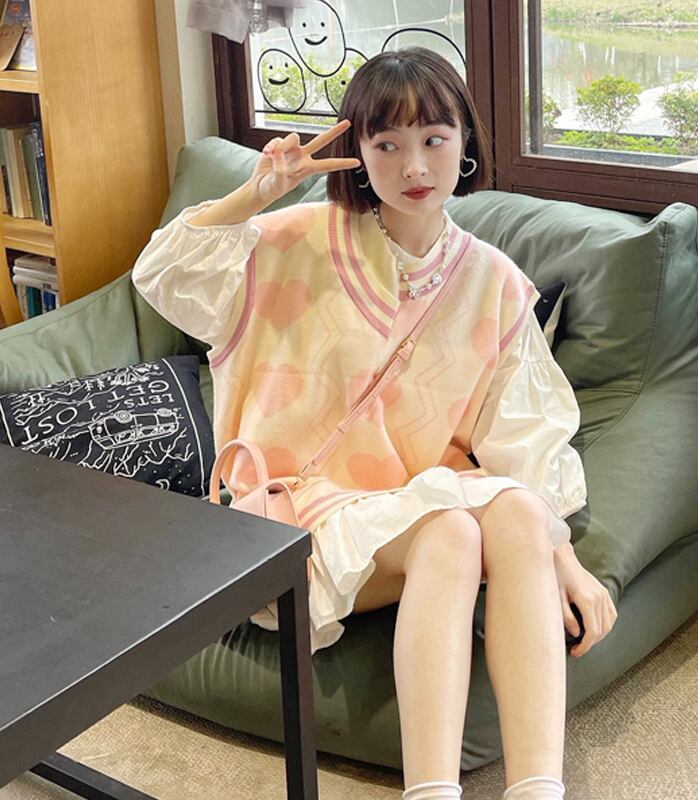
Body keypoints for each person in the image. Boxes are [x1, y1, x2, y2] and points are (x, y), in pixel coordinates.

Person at [132, 47, 617, 800]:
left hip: (408, 513)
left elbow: (526, 443)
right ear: (357, 154)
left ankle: (537, 790)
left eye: (434, 139)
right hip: (290, 520)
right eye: (386, 144)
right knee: (452, 530)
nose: (414, 165)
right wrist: (254, 195)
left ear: (465, 143)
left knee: (506, 513)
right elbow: (162, 274)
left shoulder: (493, 283)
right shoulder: (290, 241)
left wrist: (566, 562)